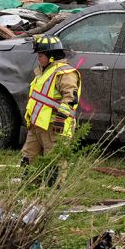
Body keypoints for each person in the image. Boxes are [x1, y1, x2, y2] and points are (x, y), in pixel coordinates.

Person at [21, 34, 81, 176]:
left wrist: (60, 119)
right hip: (37, 126)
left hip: (54, 127)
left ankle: (53, 194)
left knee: (54, 165)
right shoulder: (43, 72)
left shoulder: (65, 73)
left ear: (51, 56)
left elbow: (71, 98)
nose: (38, 58)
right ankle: (30, 190)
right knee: (27, 160)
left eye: (40, 55)